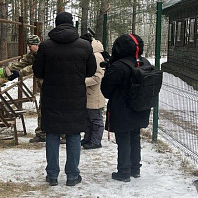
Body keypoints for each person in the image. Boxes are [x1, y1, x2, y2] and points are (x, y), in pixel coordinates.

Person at [33, 12, 96, 186]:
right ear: (72, 25)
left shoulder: (45, 46)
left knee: (52, 134)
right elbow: (91, 71)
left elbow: (37, 71)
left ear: (56, 24)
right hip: (75, 97)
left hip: (52, 97)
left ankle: (52, 175)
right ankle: (73, 175)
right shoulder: (84, 46)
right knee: (74, 135)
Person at [100, 33, 152, 182]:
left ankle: (123, 171)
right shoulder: (144, 62)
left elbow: (106, 91)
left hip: (122, 109)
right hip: (140, 107)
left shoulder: (118, 66)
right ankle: (135, 168)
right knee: (135, 137)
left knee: (123, 140)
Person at [9, 35, 46, 143]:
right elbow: (22, 63)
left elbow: (35, 67)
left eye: (31, 46)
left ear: (37, 45)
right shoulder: (32, 55)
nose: (29, 48)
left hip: (51, 85)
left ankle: (62, 134)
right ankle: (41, 133)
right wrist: (7, 70)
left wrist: (19, 73)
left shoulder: (44, 53)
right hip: (43, 86)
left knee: (54, 109)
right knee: (42, 109)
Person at [80, 33, 106, 150]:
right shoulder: (90, 54)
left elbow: (98, 77)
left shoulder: (96, 57)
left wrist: (81, 81)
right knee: (87, 118)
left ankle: (96, 141)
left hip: (94, 92)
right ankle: (88, 138)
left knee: (96, 119)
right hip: (88, 92)